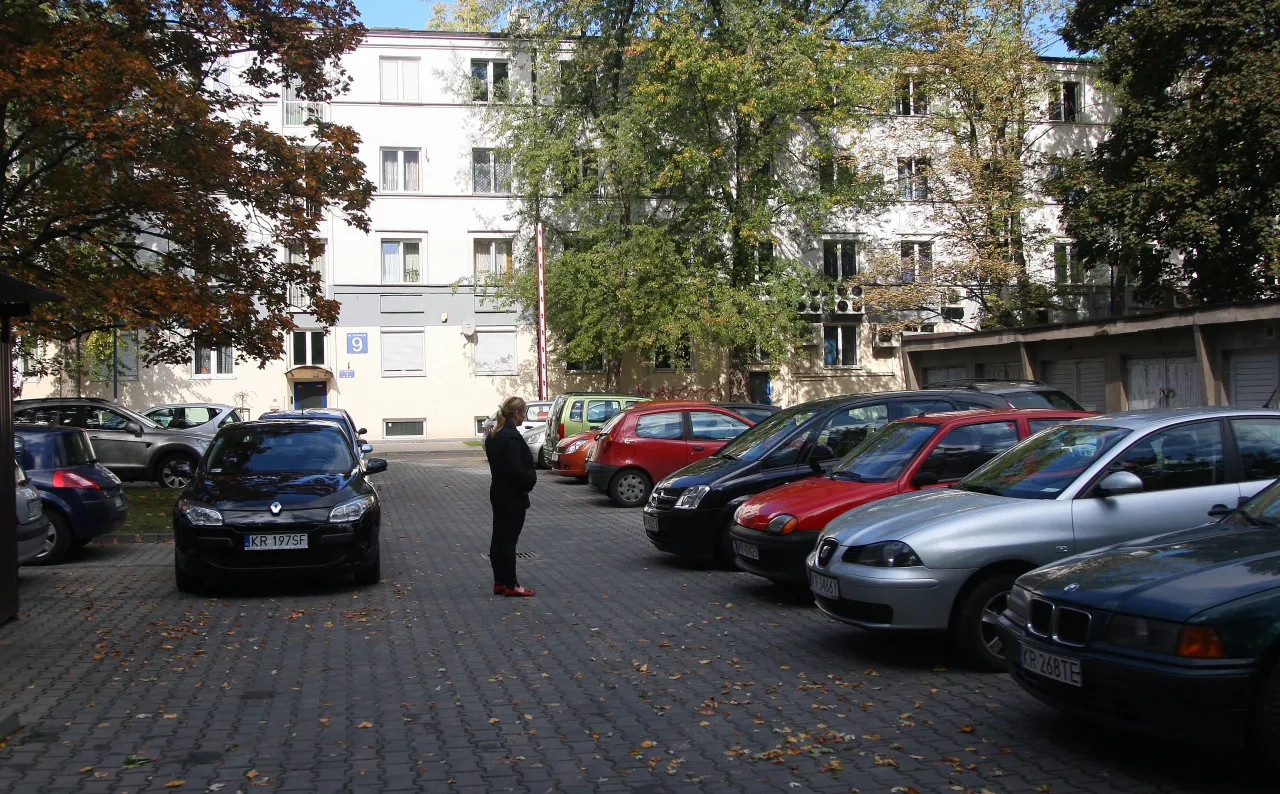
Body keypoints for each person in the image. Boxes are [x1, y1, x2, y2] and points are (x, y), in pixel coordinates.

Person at [484, 396, 538, 596]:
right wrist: (528, 482)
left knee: (498, 537)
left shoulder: (494, 435)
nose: (524, 417)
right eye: (524, 413)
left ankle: (500, 581)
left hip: (498, 491)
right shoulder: (512, 438)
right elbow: (516, 468)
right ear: (517, 413)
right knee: (509, 541)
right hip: (513, 495)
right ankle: (511, 584)